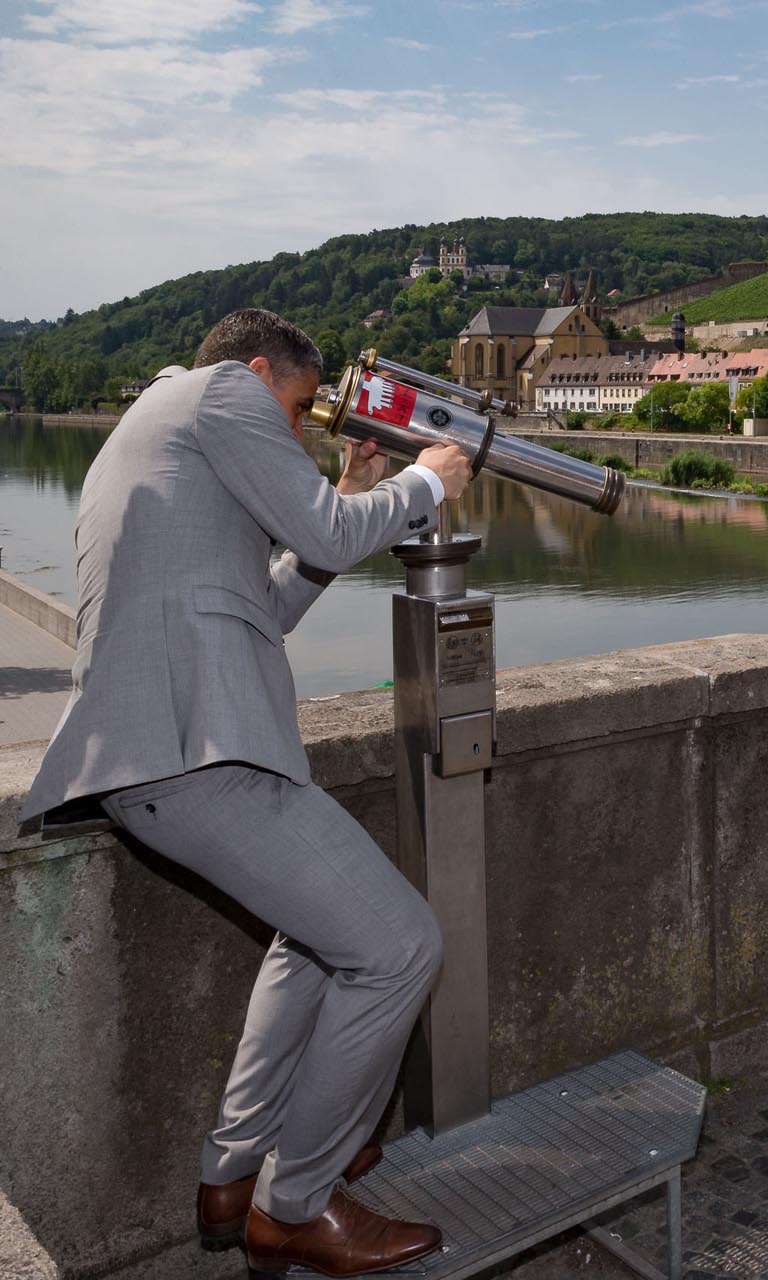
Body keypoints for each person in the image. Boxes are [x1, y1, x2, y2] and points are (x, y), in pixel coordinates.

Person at [20, 309, 473, 1277]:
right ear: (260, 372)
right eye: (303, 408)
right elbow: (322, 527)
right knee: (399, 944)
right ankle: (295, 1199)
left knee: (315, 938)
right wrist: (424, 480)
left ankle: (233, 1170)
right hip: (198, 752)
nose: (305, 427)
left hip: (154, 755)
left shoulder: (153, 423)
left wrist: (350, 492)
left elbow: (258, 606)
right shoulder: (224, 392)